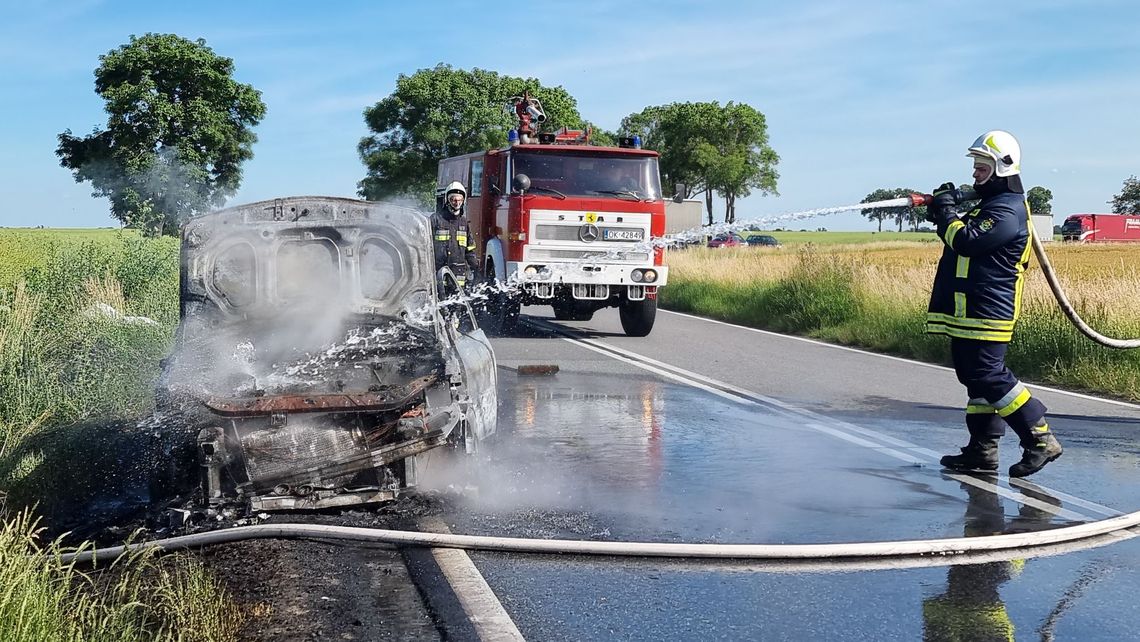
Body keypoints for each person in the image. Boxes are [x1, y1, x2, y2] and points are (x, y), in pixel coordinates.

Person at [925, 130, 1062, 478]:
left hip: (988, 309)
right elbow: (958, 233)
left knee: (988, 375)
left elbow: (966, 241)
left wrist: (946, 212)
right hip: (969, 310)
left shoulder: (1007, 210)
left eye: (981, 168)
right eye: (975, 167)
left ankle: (1040, 438)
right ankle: (982, 450)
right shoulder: (989, 206)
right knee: (974, 379)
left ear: (1002, 168)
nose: (974, 174)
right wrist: (941, 213)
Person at [430, 181, 479, 290]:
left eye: (459, 200)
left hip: (458, 277)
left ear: (463, 201)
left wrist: (476, 269)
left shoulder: (464, 223)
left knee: (457, 300)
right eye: (453, 200)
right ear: (448, 200)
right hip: (438, 276)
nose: (456, 203)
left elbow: (469, 251)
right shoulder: (436, 220)